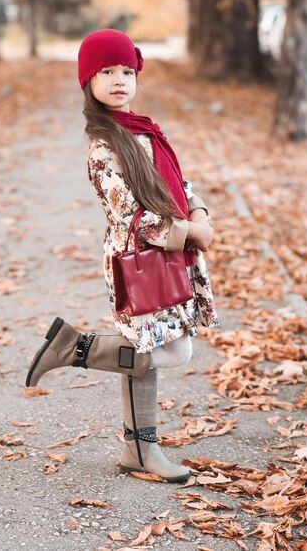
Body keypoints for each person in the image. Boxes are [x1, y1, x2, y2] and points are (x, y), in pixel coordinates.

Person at [27, 29, 219, 483]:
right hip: (139, 262)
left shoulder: (147, 130)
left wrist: (200, 210)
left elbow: (179, 181)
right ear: (88, 81)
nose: (119, 79)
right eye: (106, 71)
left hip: (172, 253)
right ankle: (74, 348)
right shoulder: (103, 148)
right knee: (166, 351)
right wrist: (191, 232)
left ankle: (139, 452)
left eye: (126, 71)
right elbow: (135, 220)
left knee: (150, 349)